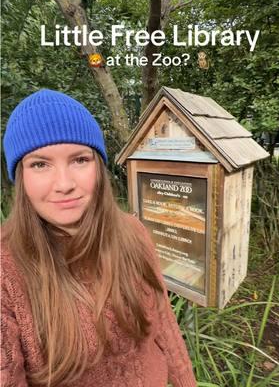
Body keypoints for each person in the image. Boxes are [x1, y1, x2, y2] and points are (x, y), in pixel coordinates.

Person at [1, 89, 197, 387]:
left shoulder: (133, 233)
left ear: (99, 167)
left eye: (79, 160)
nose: (64, 184)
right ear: (21, 176)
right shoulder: (6, 270)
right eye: (40, 164)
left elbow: (164, 323)